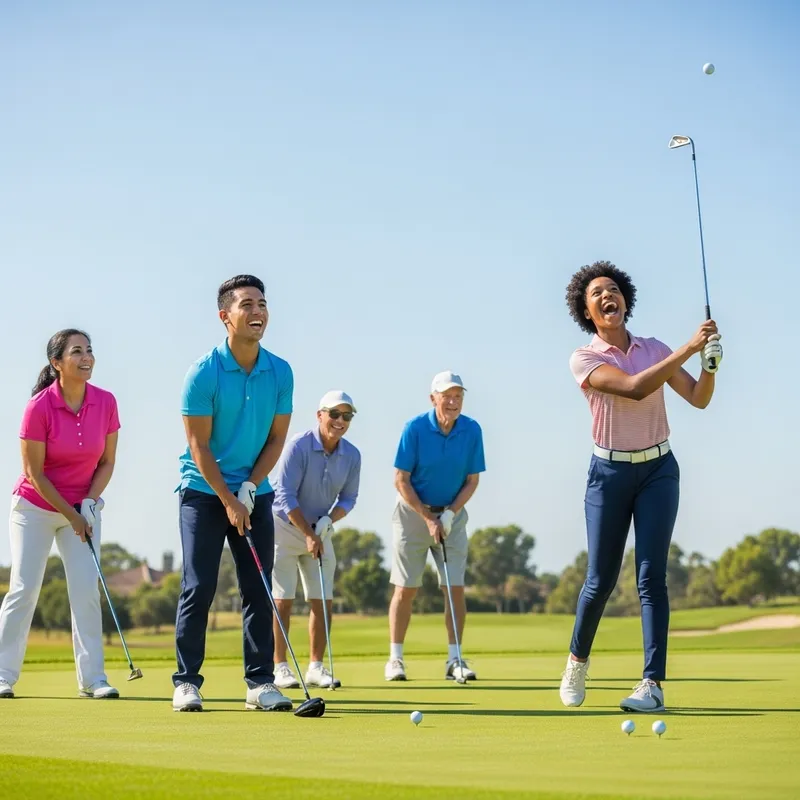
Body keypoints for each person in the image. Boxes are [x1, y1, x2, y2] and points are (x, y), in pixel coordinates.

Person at [559, 260, 723, 713]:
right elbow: (631, 388)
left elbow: (699, 399)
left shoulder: (655, 348)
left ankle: (651, 683)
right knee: (600, 580)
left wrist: (709, 363)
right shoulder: (585, 358)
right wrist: (690, 348)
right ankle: (577, 660)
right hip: (608, 475)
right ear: (587, 311)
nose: (608, 295)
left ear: (626, 300)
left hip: (658, 471)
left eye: (614, 289)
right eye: (597, 293)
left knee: (652, 577)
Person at [172, 274, 294, 712]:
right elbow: (198, 447)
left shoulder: (280, 371)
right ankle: (186, 682)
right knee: (199, 586)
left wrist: (248, 487)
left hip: (253, 490)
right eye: (247, 304)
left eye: (262, 303)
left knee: (258, 587)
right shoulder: (203, 373)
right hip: (202, 493)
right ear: (225, 317)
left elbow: (276, 439)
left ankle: (260, 683)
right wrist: (228, 497)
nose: (258, 311)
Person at [0, 329, 121, 700]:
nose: (86, 357)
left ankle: (93, 679)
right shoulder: (39, 406)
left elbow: (107, 461)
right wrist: (73, 514)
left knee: (85, 589)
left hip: (81, 508)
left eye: (89, 350)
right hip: (35, 508)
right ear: (56, 363)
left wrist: (90, 501)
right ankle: (2, 675)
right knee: (24, 587)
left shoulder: (106, 401)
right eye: (77, 352)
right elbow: (35, 474)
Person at [385, 370, 486, 683]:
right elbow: (400, 479)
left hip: (451, 517)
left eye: (458, 396)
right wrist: (428, 518)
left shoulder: (471, 430)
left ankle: (455, 659)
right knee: (406, 588)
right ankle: (395, 659)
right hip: (412, 515)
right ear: (433, 399)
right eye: (447, 396)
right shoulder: (415, 428)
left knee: (454, 588)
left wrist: (450, 514)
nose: (453, 402)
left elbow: (472, 481)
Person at [271, 390, 361, 690]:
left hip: (319, 532)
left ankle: (315, 667)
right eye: (334, 414)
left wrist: (328, 521)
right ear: (320, 415)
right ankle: (279, 667)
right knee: (283, 600)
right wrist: (308, 535)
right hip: (283, 528)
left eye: (346, 416)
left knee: (322, 601)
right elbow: (284, 495)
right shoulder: (298, 445)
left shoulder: (352, 455)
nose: (340, 421)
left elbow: (349, 498)